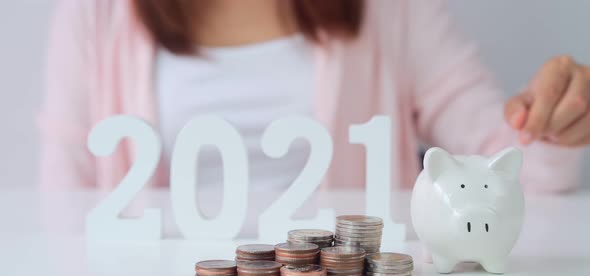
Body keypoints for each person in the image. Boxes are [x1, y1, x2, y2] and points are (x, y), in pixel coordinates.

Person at [38, 0, 589, 192]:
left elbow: (513, 166)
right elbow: (60, 212)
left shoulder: (389, 11)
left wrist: (556, 120)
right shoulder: (96, 14)